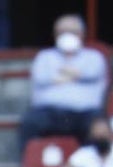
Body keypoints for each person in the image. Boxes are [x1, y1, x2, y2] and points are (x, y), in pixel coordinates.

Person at [18, 14, 107, 150]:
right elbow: (41, 77)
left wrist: (62, 76)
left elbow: (92, 73)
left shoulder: (94, 56)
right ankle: (31, 166)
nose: (67, 35)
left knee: (97, 127)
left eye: (72, 32)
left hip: (85, 113)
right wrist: (76, 76)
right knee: (30, 122)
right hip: (49, 112)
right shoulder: (44, 56)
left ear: (82, 34)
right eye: (62, 32)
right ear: (55, 35)